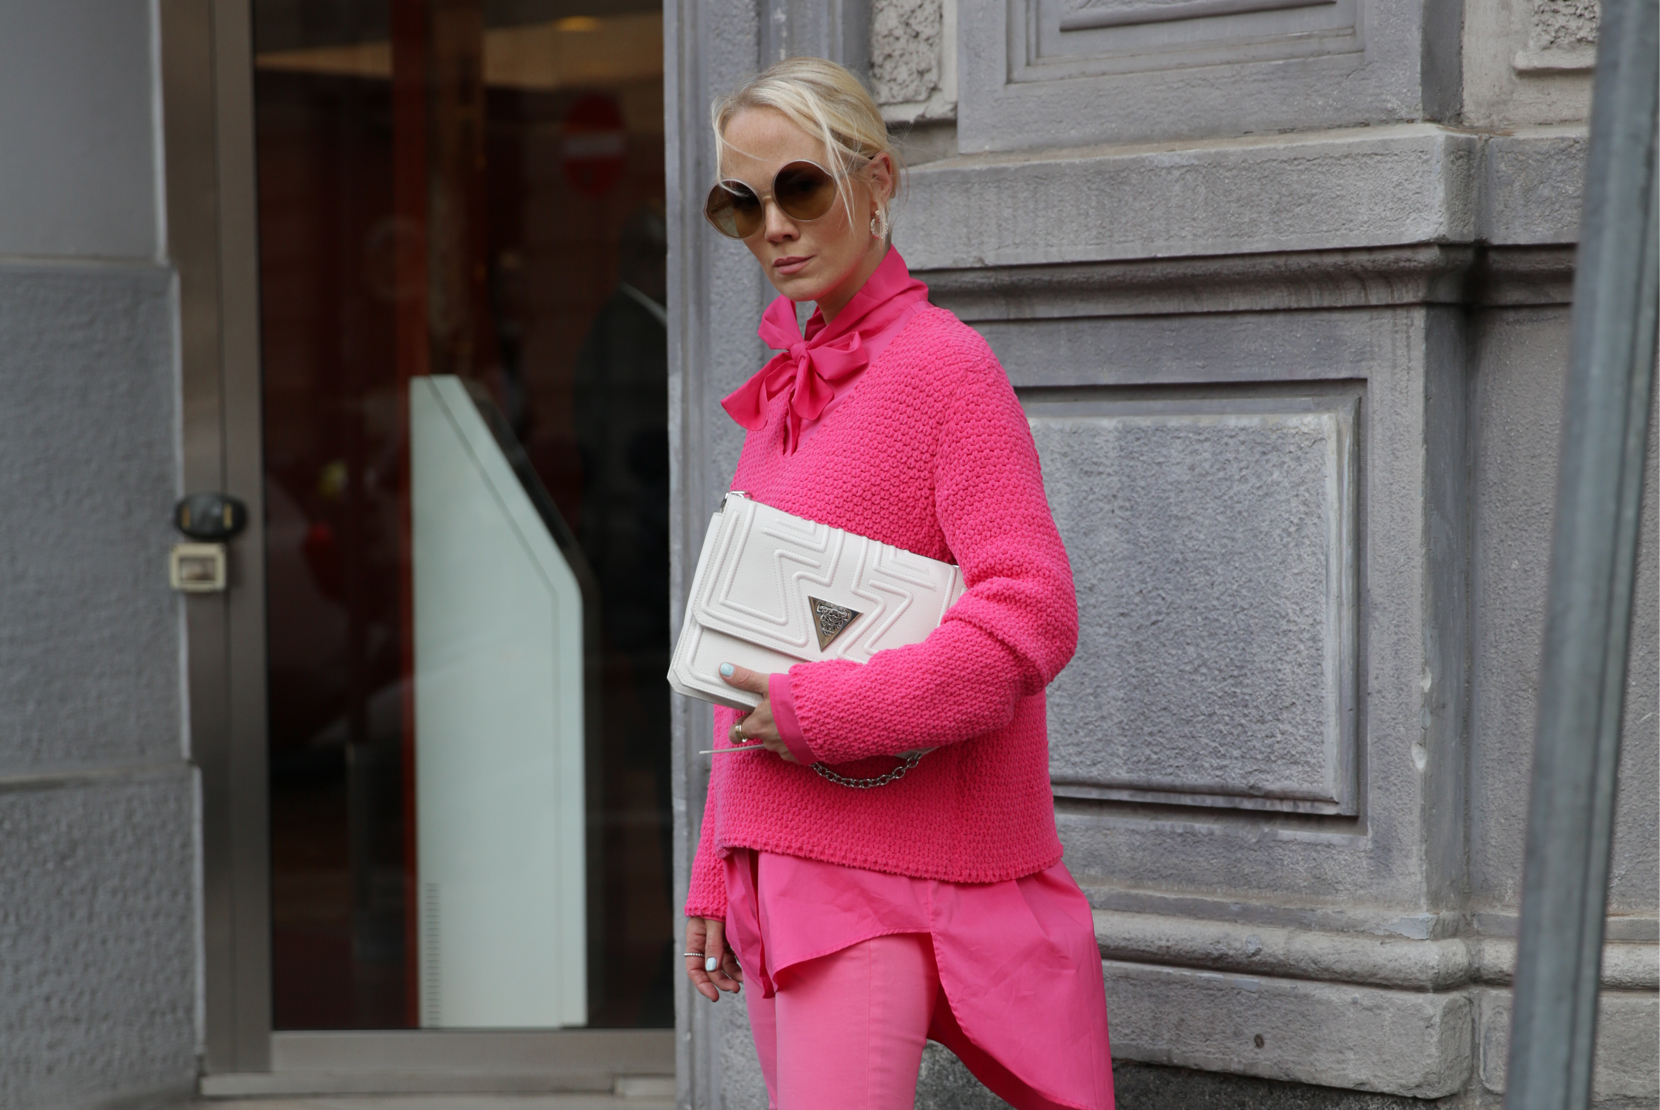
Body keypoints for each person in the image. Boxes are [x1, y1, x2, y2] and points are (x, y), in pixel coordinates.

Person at [683, 56, 1115, 1110]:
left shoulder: (942, 369)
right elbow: (750, 657)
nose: (773, 228)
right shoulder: (790, 391)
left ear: (877, 181)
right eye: (741, 203)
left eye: (801, 188)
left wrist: (829, 713)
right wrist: (716, 863)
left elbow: (1031, 615)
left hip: (882, 872)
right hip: (786, 863)